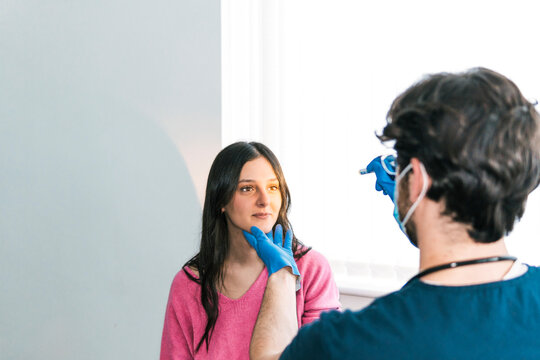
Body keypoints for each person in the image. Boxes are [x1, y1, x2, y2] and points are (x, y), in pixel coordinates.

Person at [246, 68, 540, 359]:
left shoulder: (351, 341)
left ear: (419, 179)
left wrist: (282, 276)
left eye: (400, 168)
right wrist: (420, 213)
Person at [160, 141, 340, 360]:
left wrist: (283, 277)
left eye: (273, 188)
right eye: (247, 188)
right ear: (221, 200)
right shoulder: (189, 284)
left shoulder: (310, 268)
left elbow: (323, 354)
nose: (264, 201)